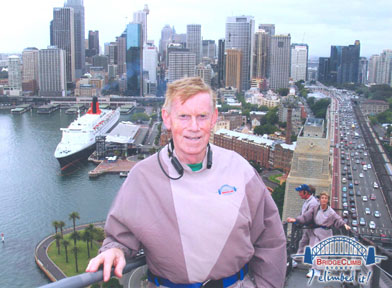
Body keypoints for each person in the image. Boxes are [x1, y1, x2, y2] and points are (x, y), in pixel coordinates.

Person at [86, 77, 287, 288]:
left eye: (202, 117)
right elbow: (121, 235)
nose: (194, 127)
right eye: (183, 116)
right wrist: (115, 250)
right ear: (167, 118)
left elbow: (270, 239)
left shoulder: (240, 169)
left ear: (214, 118)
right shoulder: (142, 177)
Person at [286, 191, 350, 278]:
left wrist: (344, 225)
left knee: (322, 253)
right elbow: (306, 216)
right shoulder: (316, 208)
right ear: (319, 200)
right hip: (315, 232)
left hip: (325, 234)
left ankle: (317, 270)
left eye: (325, 198)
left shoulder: (331, 212)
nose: (324, 200)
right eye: (322, 198)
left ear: (328, 200)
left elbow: (337, 219)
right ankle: (312, 268)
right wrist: (296, 220)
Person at [291, 184, 319, 268]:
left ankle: (314, 268)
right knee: (302, 243)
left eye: (300, 192)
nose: (299, 194)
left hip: (314, 229)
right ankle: (297, 260)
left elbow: (308, 216)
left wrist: (296, 220)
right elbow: (303, 214)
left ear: (306, 192)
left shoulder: (313, 203)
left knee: (312, 247)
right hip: (308, 228)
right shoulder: (307, 201)